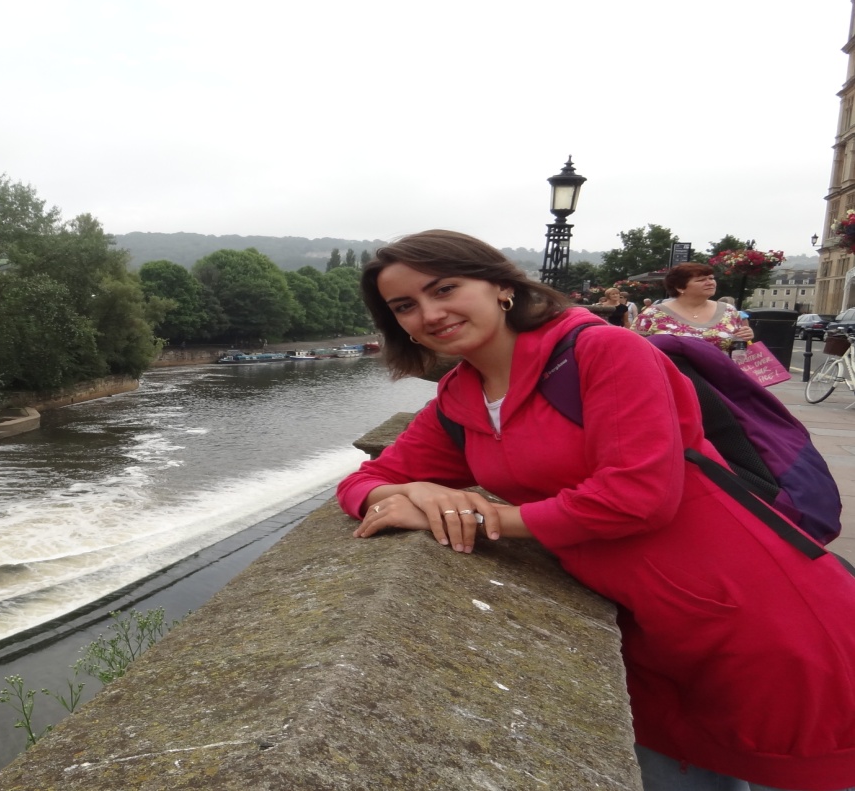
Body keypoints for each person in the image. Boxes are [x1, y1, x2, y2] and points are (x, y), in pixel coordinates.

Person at [339, 229, 855, 791]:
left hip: (755, 616)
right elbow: (368, 478)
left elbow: (638, 496)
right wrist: (416, 494)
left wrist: (485, 518)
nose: (430, 313)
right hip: (646, 634)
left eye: (446, 289)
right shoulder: (461, 399)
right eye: (406, 306)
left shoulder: (603, 350)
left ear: (502, 287)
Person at [633, 263, 753, 351]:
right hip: (673, 379)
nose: (710, 282)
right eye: (701, 280)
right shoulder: (652, 314)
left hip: (719, 380)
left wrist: (745, 336)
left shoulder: (728, 310)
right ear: (680, 287)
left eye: (711, 278)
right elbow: (634, 348)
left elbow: (736, 346)